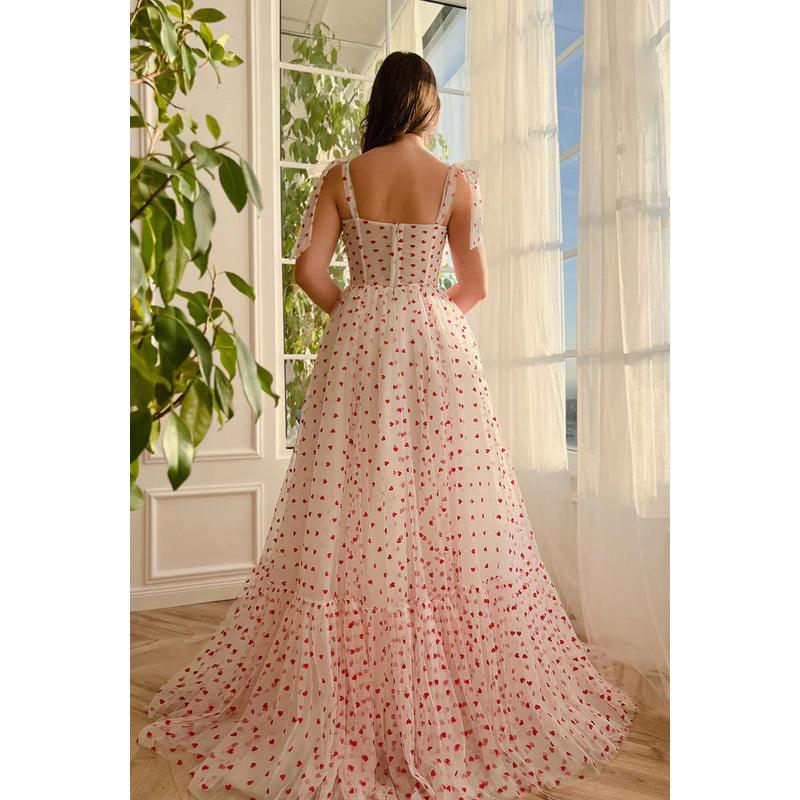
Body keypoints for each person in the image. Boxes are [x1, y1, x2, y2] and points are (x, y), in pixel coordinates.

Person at [138, 51, 635, 800]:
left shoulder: (341, 176)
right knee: (446, 503)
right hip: (436, 352)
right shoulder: (457, 183)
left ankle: (347, 683)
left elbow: (308, 273)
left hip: (360, 348)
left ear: (380, 101)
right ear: (427, 104)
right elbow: (475, 286)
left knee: (353, 504)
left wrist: (362, 314)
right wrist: (424, 319)